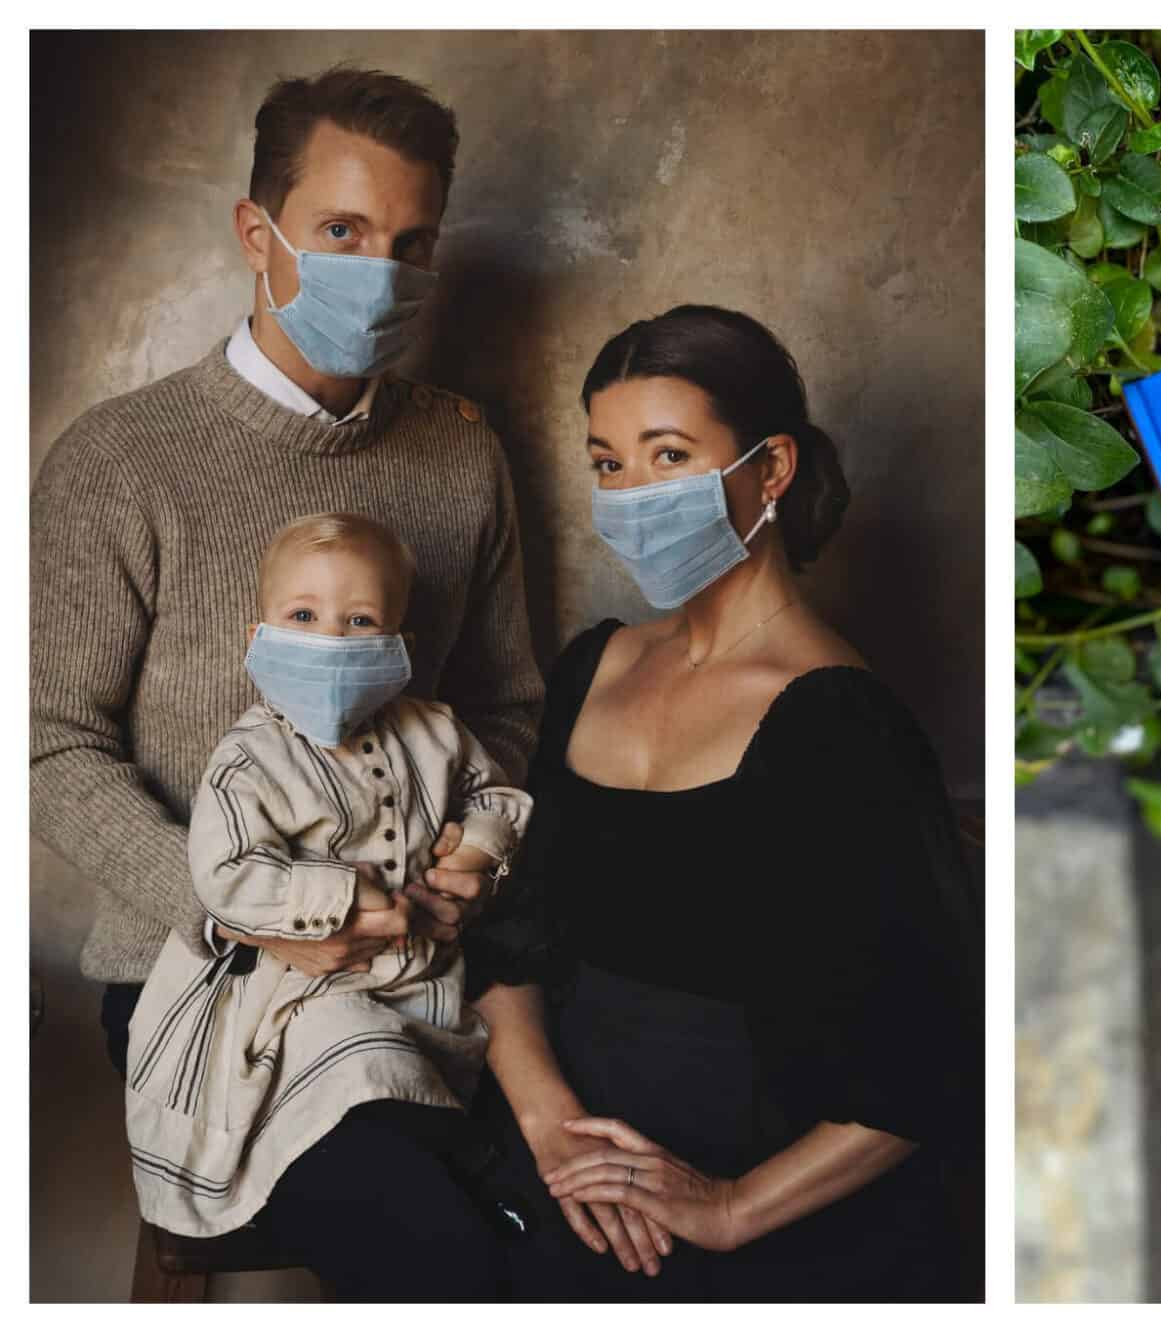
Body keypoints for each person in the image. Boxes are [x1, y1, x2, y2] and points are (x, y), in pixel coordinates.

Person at [29, 66, 542, 1298]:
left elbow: (508, 709)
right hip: (191, 965)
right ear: (257, 234)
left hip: (427, 955)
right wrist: (234, 903)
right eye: (343, 232)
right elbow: (47, 740)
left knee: (581, 1202)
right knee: (439, 1243)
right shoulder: (122, 457)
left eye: (411, 242)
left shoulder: (464, 455)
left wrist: (472, 857)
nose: (383, 271)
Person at [468, 306, 981, 1300]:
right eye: (608, 463)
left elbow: (928, 1056)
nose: (629, 492)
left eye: (667, 454)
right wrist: (551, 1128)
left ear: (771, 468)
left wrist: (731, 1206)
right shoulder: (591, 663)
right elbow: (504, 938)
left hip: (760, 1198)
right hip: (556, 1146)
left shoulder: (842, 723)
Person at [126, 513, 533, 1241]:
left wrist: (475, 848)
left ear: (399, 649)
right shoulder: (250, 759)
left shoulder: (434, 731)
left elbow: (496, 795)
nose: (329, 639)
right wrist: (340, 896)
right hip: (300, 992)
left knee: (430, 1075)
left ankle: (464, 1165)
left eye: (360, 620)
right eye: (304, 616)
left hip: (420, 980)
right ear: (261, 639)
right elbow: (225, 872)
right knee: (355, 1056)